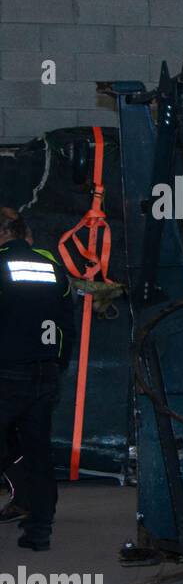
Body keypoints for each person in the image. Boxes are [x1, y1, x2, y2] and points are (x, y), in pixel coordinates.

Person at [0, 206, 75, 552]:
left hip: (7, 371)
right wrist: (58, 363)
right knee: (37, 452)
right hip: (45, 373)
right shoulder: (52, 268)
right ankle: (39, 531)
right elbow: (66, 324)